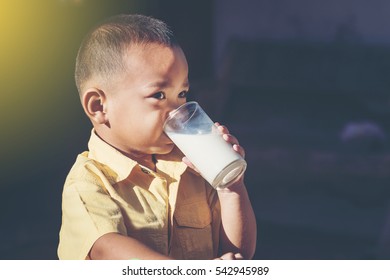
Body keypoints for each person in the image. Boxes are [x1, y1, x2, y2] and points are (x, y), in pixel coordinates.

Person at [57, 14, 256, 260]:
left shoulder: (192, 166)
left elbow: (238, 254)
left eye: (182, 93)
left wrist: (231, 188)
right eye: (159, 95)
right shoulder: (89, 182)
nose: (177, 111)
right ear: (99, 106)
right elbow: (107, 249)